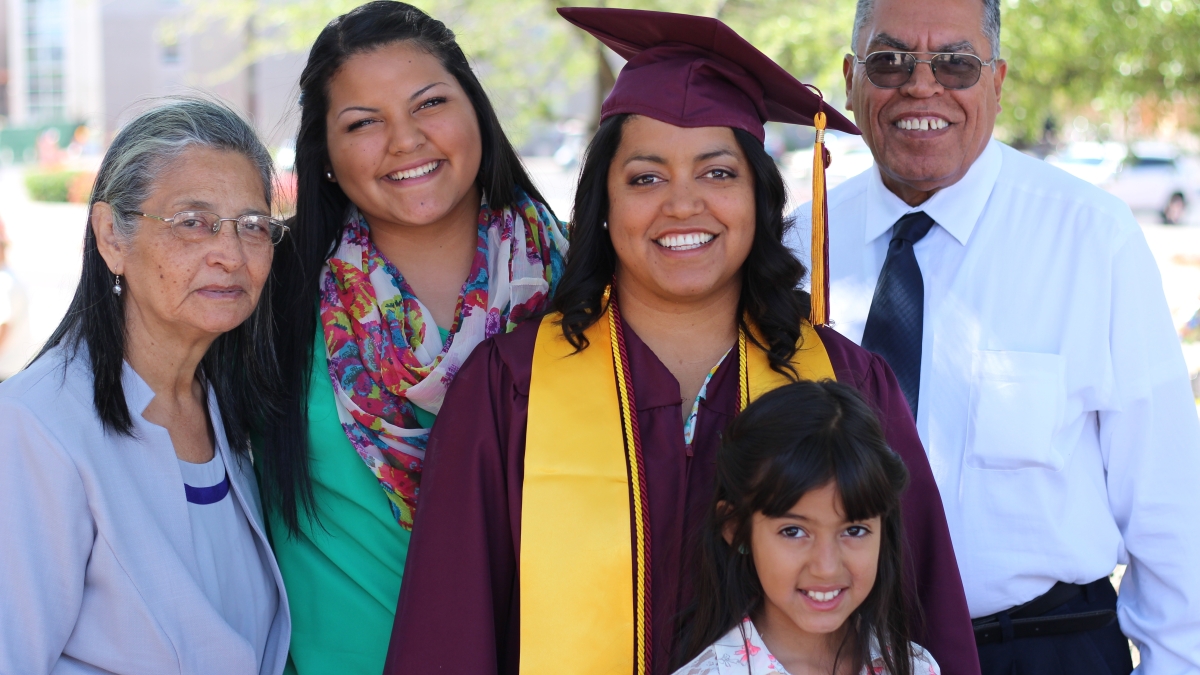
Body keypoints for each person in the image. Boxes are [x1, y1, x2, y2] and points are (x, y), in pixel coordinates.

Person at [386, 9, 979, 675]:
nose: (683, 205)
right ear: (604, 203)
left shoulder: (847, 383)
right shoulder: (510, 388)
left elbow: (917, 614)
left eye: (718, 173)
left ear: (759, 195)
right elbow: (450, 634)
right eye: (646, 177)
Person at [785, 0, 1200, 672]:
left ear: (997, 82)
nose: (922, 86)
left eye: (955, 63)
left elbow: (1166, 499)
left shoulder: (1091, 237)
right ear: (851, 80)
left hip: (1038, 648)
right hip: (842, 649)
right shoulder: (799, 248)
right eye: (890, 62)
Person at [255, 3, 569, 673]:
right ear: (325, 155)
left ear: (477, 110)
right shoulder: (268, 294)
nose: (404, 140)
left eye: (429, 103)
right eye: (363, 122)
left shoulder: (583, 285)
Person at [0, 99, 291, 674]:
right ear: (112, 236)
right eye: (193, 222)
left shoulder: (229, 408)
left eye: (253, 225)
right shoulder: (33, 428)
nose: (231, 254)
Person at [672, 380, 940, 675]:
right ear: (737, 530)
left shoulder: (914, 667)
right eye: (793, 531)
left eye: (854, 531)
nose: (826, 568)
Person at [0, 216, 32, 380]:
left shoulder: (3, 281)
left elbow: (3, 326)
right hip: (14, 369)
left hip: (4, 369)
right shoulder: (11, 277)